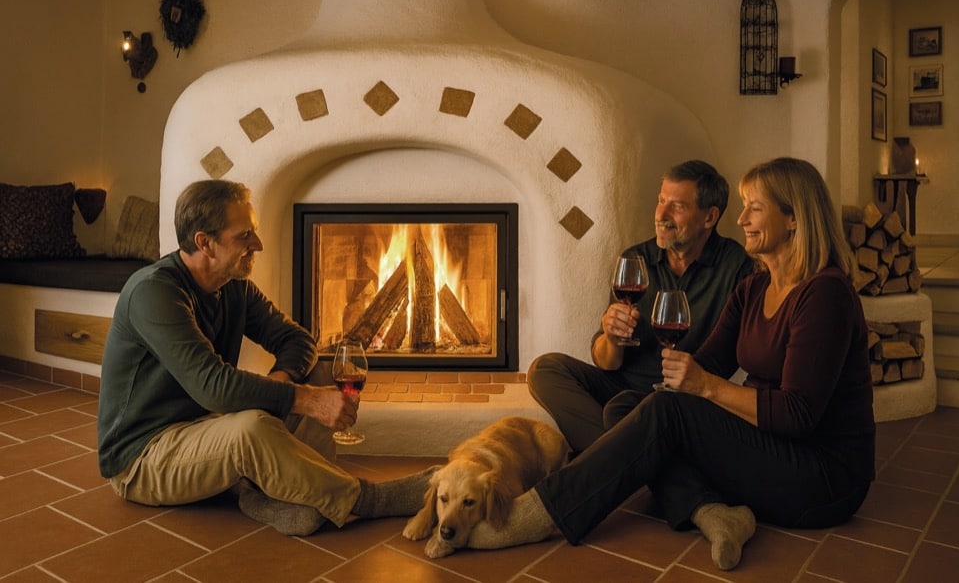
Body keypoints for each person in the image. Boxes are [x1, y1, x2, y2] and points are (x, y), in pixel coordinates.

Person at [463, 157, 876, 571]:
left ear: (793, 219)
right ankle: (710, 509)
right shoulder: (756, 287)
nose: (742, 218)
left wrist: (706, 388)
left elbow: (797, 416)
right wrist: (653, 365)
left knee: (660, 411)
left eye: (755, 207)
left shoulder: (825, 294)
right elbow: (707, 362)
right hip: (769, 445)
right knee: (631, 406)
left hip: (820, 477)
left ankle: (541, 513)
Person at [97, 180, 433, 536]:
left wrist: (285, 383)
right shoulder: (154, 293)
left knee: (315, 373)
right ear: (204, 243)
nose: (257, 244)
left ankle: (291, 498)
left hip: (207, 427)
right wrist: (303, 401)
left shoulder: (231, 284)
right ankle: (370, 500)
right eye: (244, 236)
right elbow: (213, 386)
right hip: (144, 459)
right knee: (253, 427)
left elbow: (298, 340)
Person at [528, 160, 755, 453]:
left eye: (678, 206)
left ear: (709, 217)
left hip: (684, 400)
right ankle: (629, 461)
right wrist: (610, 337)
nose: (661, 214)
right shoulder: (636, 260)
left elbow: (735, 357)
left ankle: (612, 464)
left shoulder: (737, 268)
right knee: (545, 369)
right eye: (661, 201)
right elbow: (608, 362)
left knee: (621, 413)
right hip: (622, 390)